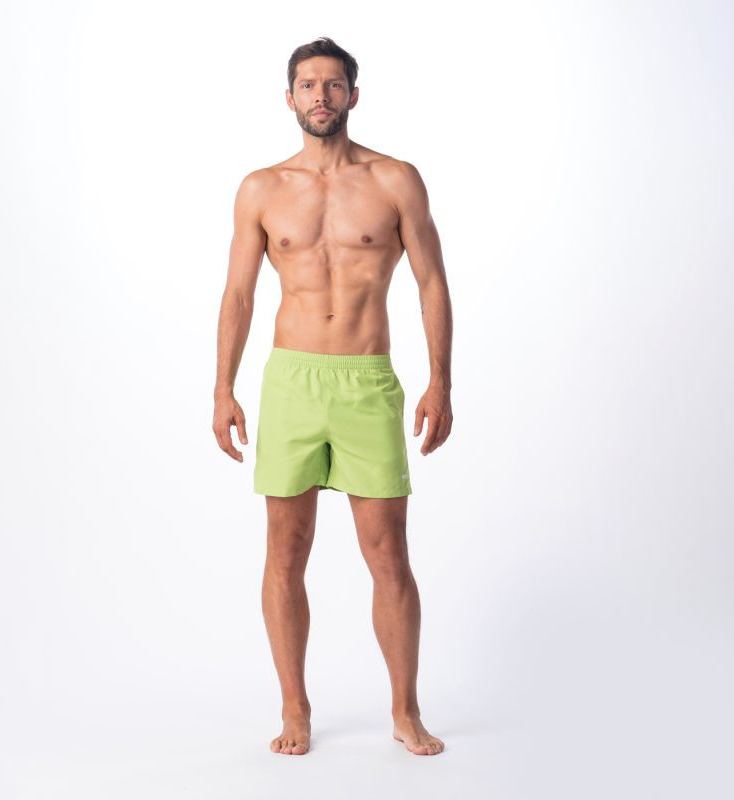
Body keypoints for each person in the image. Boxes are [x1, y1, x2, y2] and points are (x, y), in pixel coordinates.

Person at [213, 36, 453, 756]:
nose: (321, 96)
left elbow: (432, 283)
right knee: (284, 553)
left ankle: (405, 710)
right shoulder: (261, 189)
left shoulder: (395, 180)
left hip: (366, 381)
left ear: (353, 94)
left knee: (388, 555)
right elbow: (238, 294)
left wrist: (441, 379)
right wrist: (223, 388)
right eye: (308, 85)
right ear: (289, 98)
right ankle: (295, 708)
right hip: (291, 381)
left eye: (333, 84)